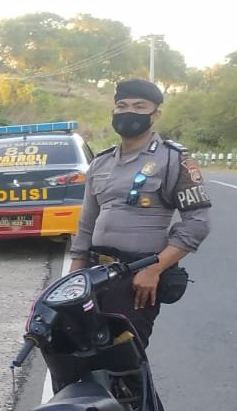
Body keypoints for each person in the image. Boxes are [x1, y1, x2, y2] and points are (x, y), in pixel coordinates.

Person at [69, 78, 212, 348]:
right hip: (96, 273)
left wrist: (153, 270)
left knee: (123, 360)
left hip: (136, 277)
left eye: (139, 106)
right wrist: (75, 278)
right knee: (81, 354)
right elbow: (86, 225)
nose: (128, 112)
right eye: (121, 106)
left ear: (154, 114)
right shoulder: (100, 162)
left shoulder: (173, 160)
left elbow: (197, 224)